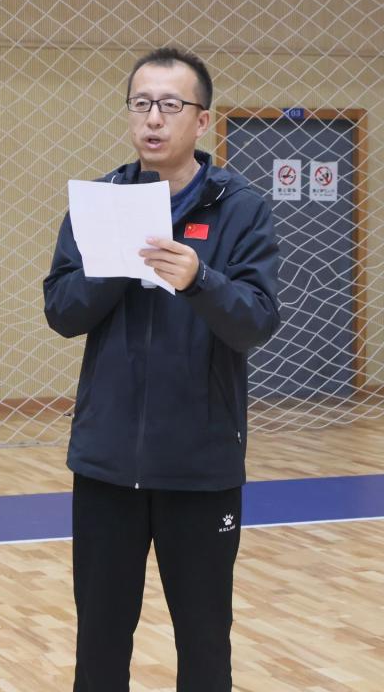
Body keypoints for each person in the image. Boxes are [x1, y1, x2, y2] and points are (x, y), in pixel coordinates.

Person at [43, 47, 280, 691]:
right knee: (99, 638)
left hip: (200, 468)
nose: (153, 118)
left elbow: (256, 322)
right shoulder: (99, 203)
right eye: (141, 104)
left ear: (201, 121)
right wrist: (115, 267)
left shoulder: (241, 207)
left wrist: (200, 280)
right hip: (106, 464)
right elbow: (61, 312)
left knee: (204, 639)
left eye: (170, 105)